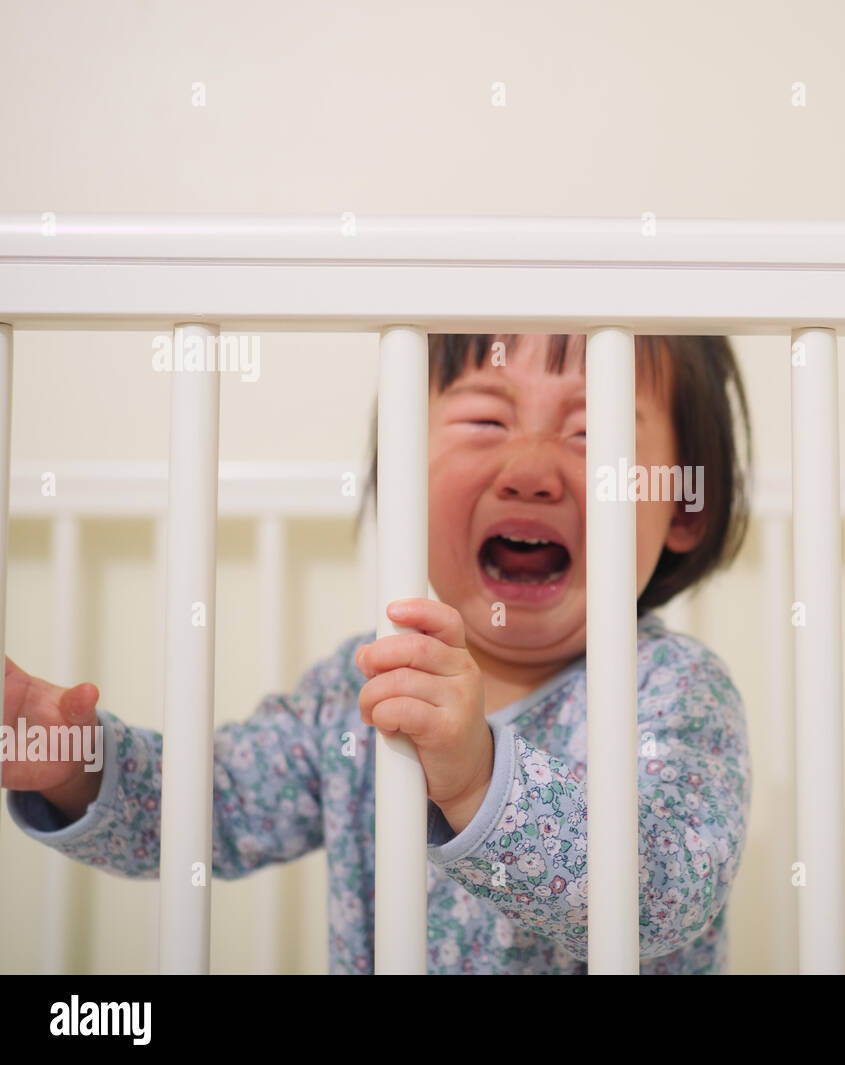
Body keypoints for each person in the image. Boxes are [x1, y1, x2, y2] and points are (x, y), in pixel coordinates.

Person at [3, 331, 755, 974]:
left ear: (684, 503)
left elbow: (666, 891)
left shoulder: (673, 689)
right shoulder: (364, 684)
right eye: (487, 420)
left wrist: (481, 779)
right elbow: (218, 803)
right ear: (403, 473)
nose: (529, 470)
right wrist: (77, 762)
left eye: (592, 433)